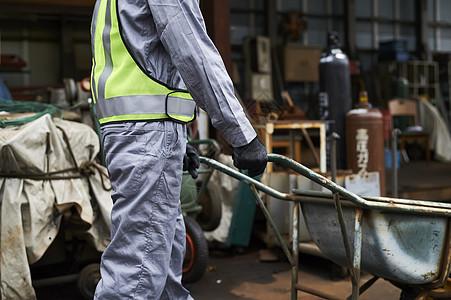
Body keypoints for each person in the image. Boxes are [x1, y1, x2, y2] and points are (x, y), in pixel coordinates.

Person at [90, 0, 267, 299]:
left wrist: (176, 137)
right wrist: (242, 135)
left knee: (163, 266)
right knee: (137, 274)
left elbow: (140, 57)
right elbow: (192, 51)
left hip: (135, 131)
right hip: (147, 135)